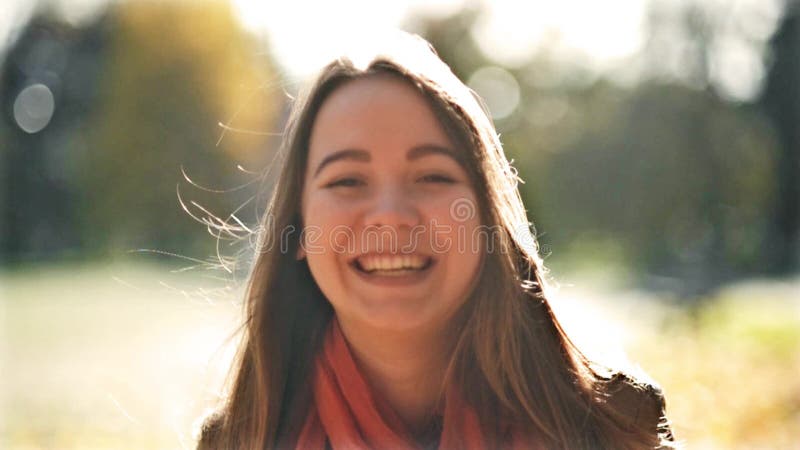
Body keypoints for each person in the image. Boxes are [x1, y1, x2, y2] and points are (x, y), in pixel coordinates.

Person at [196, 31, 676, 450]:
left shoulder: (616, 426)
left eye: (431, 176)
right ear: (298, 227)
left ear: (488, 216)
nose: (390, 216)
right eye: (347, 181)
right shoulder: (238, 440)